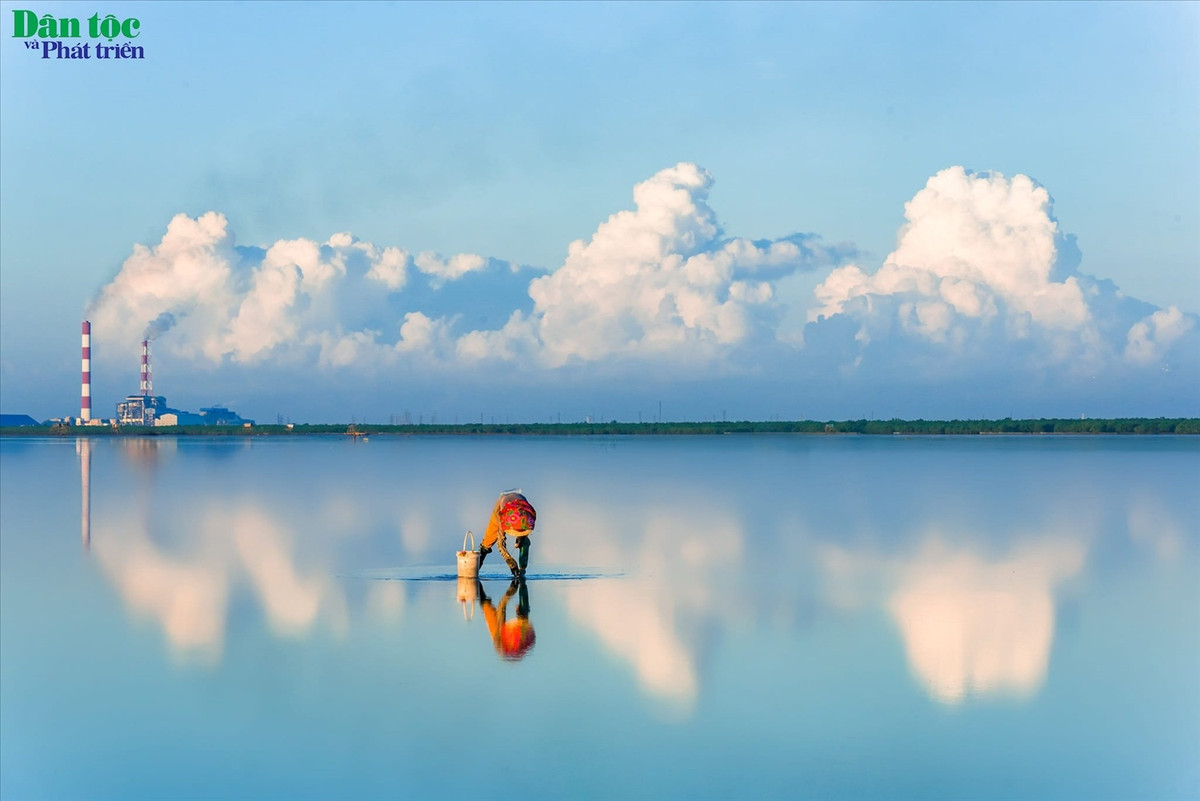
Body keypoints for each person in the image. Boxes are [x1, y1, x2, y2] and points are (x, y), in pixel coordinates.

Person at [477, 490, 536, 579]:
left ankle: (522, 570)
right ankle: (475, 569)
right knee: (488, 539)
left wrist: (521, 538)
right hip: (501, 505)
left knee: (524, 542)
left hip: (520, 509)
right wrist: (509, 561)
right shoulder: (502, 519)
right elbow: (501, 544)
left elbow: (528, 525)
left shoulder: (529, 513)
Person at [477, 578, 535, 661]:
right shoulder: (518, 636)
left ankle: (481, 594)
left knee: (486, 605)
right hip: (508, 641)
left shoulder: (504, 637)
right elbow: (502, 606)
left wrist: (509, 593)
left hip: (504, 641)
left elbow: (502, 606)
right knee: (486, 605)